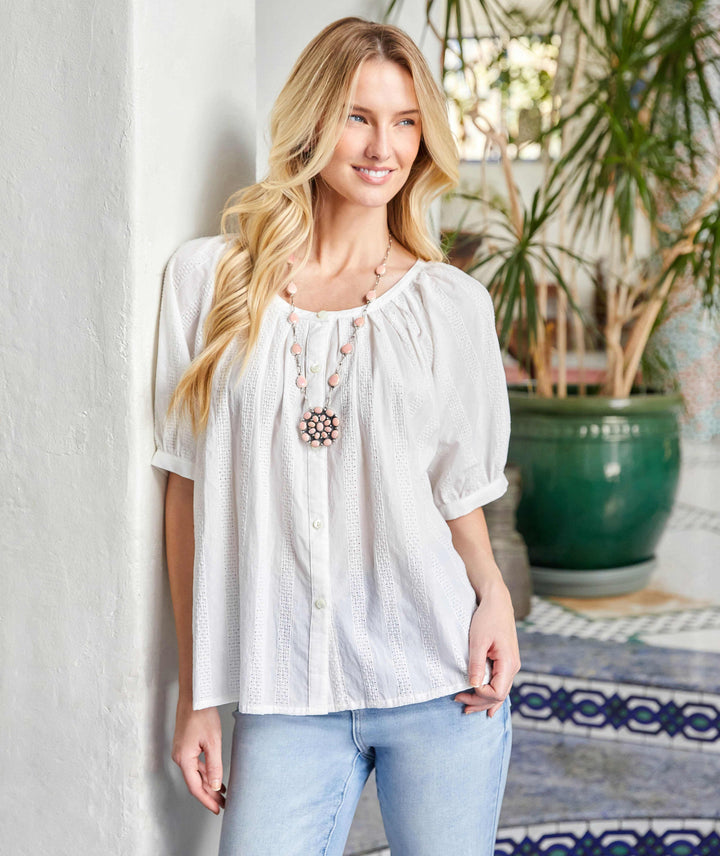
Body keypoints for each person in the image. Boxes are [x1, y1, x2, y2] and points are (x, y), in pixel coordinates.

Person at [151, 16, 520, 856]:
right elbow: (187, 491)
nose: (381, 146)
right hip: (285, 692)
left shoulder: (449, 306)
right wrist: (196, 691)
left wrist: (493, 596)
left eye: (404, 121)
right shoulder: (208, 282)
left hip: (437, 678)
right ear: (314, 120)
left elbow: (457, 489)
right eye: (358, 115)